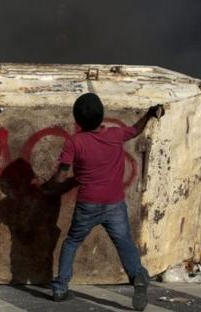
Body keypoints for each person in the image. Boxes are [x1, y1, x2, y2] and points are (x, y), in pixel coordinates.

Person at [36, 93, 163, 311]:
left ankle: (60, 287)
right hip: (114, 204)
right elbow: (135, 129)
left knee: (72, 242)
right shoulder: (115, 134)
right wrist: (149, 114)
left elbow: (61, 177)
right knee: (124, 242)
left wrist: (47, 188)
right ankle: (137, 276)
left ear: (77, 120)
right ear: (102, 115)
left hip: (88, 204)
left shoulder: (74, 143)